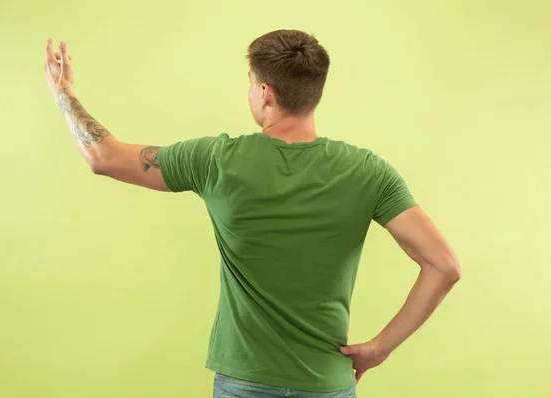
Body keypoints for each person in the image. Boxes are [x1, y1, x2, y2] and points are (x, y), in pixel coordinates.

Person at [44, 29, 461, 398]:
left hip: (245, 382)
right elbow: (443, 266)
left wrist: (64, 91)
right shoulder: (368, 171)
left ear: (265, 92)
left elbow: (103, 156)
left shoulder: (217, 160)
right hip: (327, 383)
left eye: (250, 84)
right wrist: (379, 348)